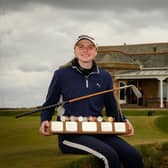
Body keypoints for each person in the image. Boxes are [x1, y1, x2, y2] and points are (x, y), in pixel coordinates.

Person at [40, 35, 144, 168]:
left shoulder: (104, 76)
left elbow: (111, 105)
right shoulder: (61, 74)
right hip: (70, 134)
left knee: (133, 156)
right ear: (75, 50)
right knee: (110, 156)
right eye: (81, 47)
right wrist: (44, 120)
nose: (85, 50)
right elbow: (50, 102)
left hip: (98, 131)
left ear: (96, 51)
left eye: (90, 47)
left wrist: (123, 121)